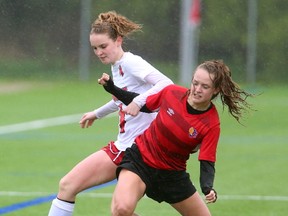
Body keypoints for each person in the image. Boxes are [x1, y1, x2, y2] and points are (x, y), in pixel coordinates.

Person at [48, 11, 173, 216]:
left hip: (140, 151)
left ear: (118, 40)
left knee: (120, 210)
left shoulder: (131, 62)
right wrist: (96, 113)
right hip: (122, 146)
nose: (99, 52)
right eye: (95, 48)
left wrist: (138, 101)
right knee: (67, 185)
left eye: (103, 46)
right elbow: (121, 99)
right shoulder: (117, 66)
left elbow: (166, 84)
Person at [98, 59, 254, 216]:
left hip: (171, 174)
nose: (197, 89)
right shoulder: (172, 92)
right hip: (141, 161)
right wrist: (112, 88)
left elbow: (207, 160)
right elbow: (142, 103)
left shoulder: (211, 124)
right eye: (195, 83)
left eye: (205, 86)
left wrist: (207, 187)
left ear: (216, 90)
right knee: (121, 210)